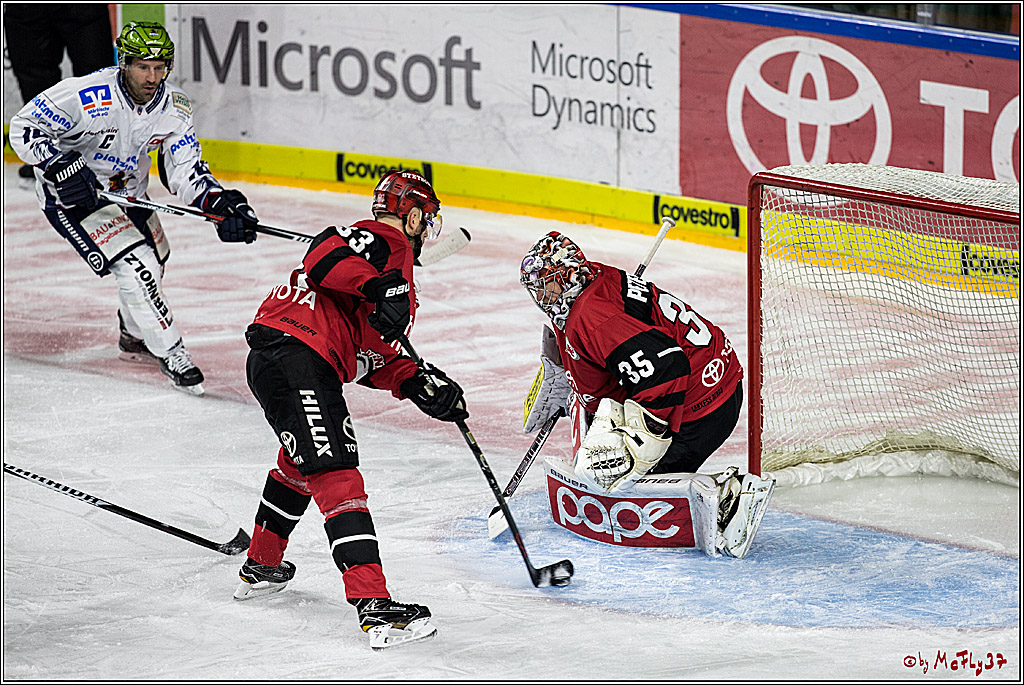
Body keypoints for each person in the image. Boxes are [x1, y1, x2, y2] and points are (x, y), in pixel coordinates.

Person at [233, 169, 468, 650]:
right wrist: (379, 286)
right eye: (429, 219)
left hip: (286, 359)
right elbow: (321, 254)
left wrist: (418, 383)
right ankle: (375, 607)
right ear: (417, 215)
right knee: (335, 469)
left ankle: (262, 563)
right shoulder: (387, 242)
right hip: (294, 353)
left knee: (302, 462)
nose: (430, 232)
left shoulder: (393, 279)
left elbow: (370, 356)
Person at [9, 21, 260, 396]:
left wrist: (216, 200)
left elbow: (185, 167)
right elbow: (23, 126)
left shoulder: (174, 107)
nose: (152, 76)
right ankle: (173, 353)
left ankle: (132, 334)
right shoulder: (84, 94)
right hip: (76, 198)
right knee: (137, 265)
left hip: (129, 193)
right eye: (143, 66)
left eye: (159, 67)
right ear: (124, 62)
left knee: (157, 259)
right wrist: (57, 164)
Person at [519, 231, 774, 558]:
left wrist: (641, 445)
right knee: (604, 463)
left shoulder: (590, 316)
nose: (540, 294)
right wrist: (567, 373)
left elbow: (667, 367)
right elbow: (602, 348)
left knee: (616, 483)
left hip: (702, 404)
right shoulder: (584, 285)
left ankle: (729, 497)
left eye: (546, 283)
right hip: (705, 378)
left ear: (567, 275)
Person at [4, 4, 116, 180]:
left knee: (97, 78)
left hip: (83, 9)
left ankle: (102, 154)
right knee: (35, 78)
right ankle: (45, 155)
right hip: (26, 10)